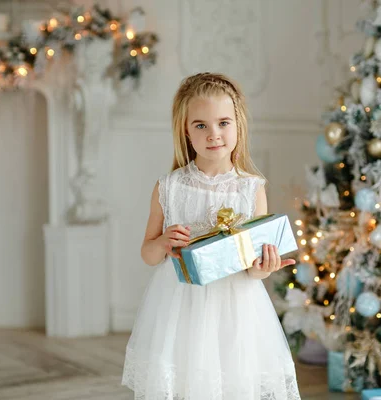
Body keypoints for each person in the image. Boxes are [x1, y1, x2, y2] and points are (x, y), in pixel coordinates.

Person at [121, 72, 301, 399]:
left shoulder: (251, 189)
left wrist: (265, 267)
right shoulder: (169, 187)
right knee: (188, 381)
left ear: (238, 126)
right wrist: (163, 243)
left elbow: (253, 268)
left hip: (235, 309)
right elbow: (148, 255)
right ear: (186, 132)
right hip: (180, 306)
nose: (213, 134)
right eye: (201, 125)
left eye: (223, 123)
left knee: (232, 381)